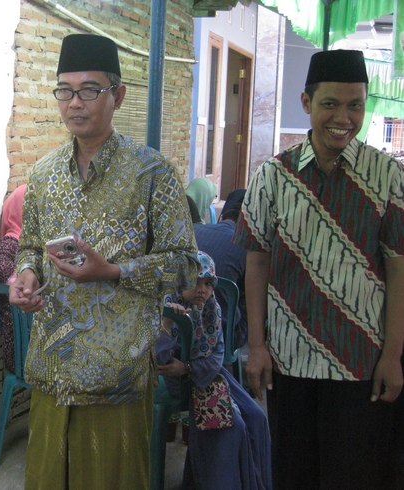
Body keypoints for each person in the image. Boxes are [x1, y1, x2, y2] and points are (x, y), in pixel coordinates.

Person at [9, 33, 199, 489]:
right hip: (53, 367)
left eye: (89, 90)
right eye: (65, 90)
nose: (75, 103)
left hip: (117, 374)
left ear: (118, 95)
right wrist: (27, 274)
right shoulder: (43, 173)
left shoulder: (153, 173)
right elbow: (29, 244)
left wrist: (113, 272)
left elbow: (186, 265)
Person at [234, 50, 404, 489]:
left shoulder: (387, 176)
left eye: (355, 105)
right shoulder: (273, 175)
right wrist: (257, 346)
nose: (343, 118)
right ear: (307, 102)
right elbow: (256, 260)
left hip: (360, 364)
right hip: (288, 361)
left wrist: (393, 355)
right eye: (330, 104)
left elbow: (398, 268)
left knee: (356, 476)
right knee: (293, 475)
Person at [157, 251, 271, 489]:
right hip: (181, 382)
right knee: (232, 426)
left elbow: (217, 353)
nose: (202, 290)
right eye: (195, 281)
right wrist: (167, 324)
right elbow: (161, 362)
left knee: (257, 417)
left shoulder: (211, 307)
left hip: (207, 373)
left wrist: (188, 367)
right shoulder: (166, 306)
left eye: (208, 283)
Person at [0, 184, 30, 431]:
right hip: (22, 351)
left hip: (30, 345)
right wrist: (20, 284)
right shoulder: (13, 239)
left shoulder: (29, 241)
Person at [194, 189, 248, 351]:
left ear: (221, 217)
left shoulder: (193, 230)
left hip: (180, 327)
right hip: (223, 335)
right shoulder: (249, 248)